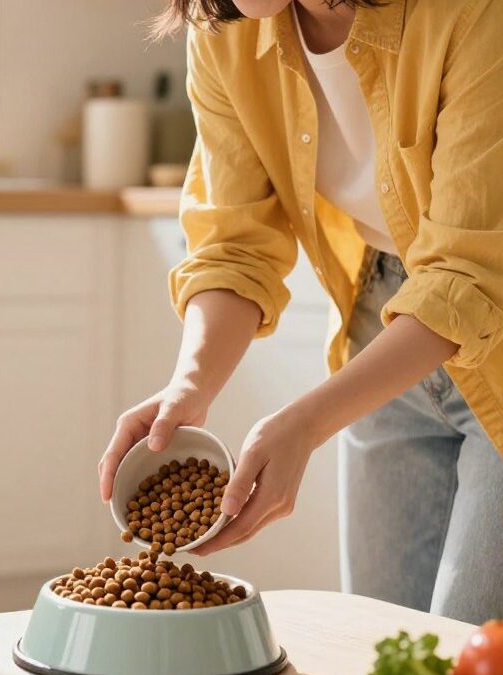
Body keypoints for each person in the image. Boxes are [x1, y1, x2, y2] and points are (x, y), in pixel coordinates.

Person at [98, 0, 503, 624]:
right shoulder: (226, 31)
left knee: (470, 644)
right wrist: (191, 384)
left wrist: (307, 425)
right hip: (384, 320)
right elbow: (233, 244)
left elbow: (469, 273)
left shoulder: (473, 13)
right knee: (380, 637)